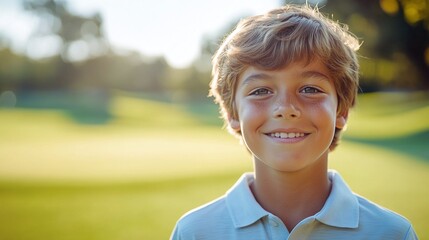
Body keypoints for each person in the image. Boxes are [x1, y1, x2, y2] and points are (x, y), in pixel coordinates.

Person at [170, 4, 418, 240]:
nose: (286, 109)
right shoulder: (195, 232)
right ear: (233, 114)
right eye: (260, 91)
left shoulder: (392, 233)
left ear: (341, 109)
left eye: (310, 89)